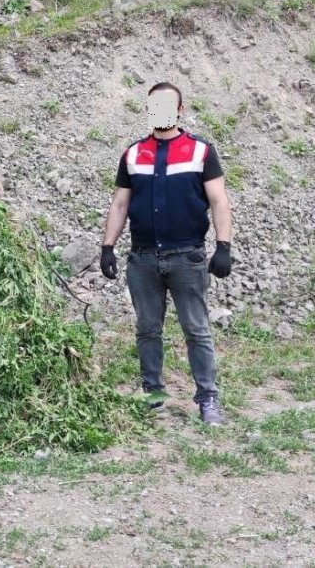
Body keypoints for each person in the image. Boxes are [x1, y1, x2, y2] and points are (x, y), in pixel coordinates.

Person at [99, 82, 234, 425]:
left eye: (167, 105)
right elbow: (120, 203)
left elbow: (219, 200)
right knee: (147, 329)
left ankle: (208, 399)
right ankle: (153, 394)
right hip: (143, 259)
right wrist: (108, 246)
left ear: (180, 109)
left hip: (186, 256)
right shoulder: (132, 154)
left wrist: (223, 246)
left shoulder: (200, 152)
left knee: (197, 329)